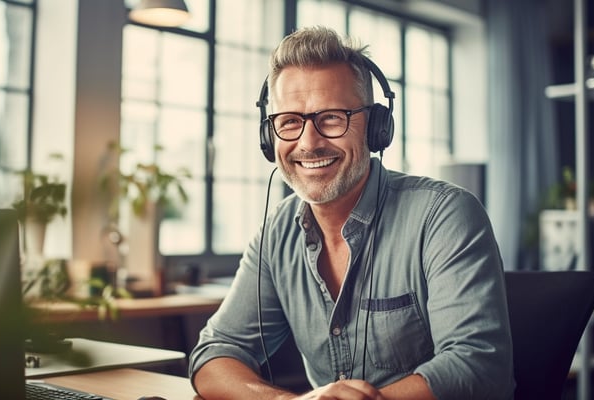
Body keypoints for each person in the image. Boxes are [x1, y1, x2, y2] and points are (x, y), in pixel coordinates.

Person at [188, 26, 514, 400]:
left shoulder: (444, 215)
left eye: (331, 118)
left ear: (375, 128)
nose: (309, 143)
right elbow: (215, 352)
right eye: (290, 122)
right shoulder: (277, 230)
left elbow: (478, 366)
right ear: (269, 136)